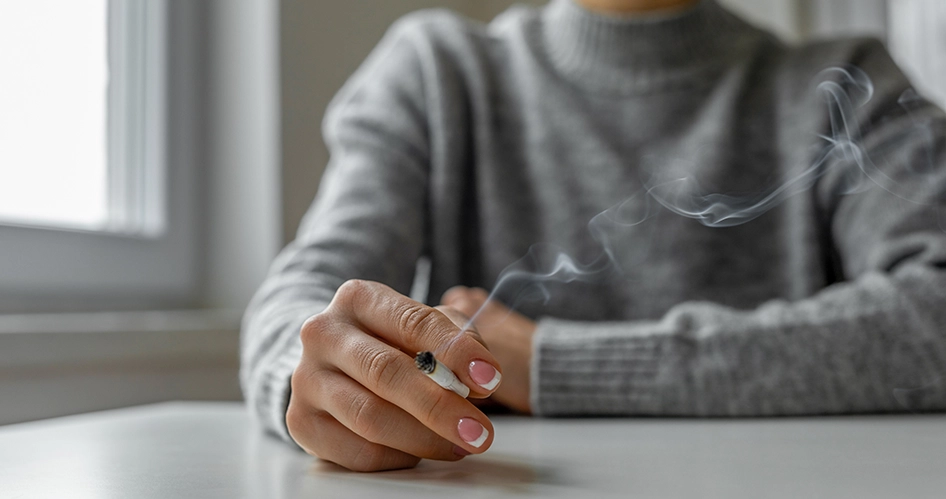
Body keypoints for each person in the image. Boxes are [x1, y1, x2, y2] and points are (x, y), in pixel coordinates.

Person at [241, 0, 946, 472]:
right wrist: (318, 372)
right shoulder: (437, 74)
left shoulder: (850, 86)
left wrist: (553, 365)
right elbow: (304, 302)